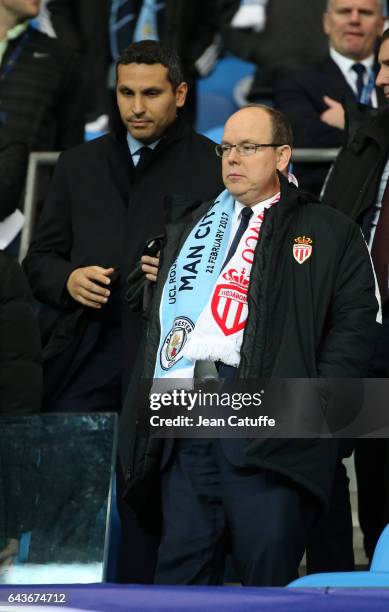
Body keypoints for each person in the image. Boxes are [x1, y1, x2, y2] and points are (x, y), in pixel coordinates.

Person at [121, 104, 379, 586]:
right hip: (188, 415)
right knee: (180, 576)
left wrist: (310, 414)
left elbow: (356, 327)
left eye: (248, 147)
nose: (232, 158)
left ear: (282, 155)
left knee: (265, 578)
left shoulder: (330, 229)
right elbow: (156, 318)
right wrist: (146, 278)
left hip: (271, 421)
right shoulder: (193, 224)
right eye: (226, 148)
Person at [23, 40, 223, 582]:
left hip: (171, 365)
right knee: (67, 494)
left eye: (152, 93)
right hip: (85, 355)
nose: (137, 106)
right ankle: (57, 595)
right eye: (126, 92)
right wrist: (66, 278)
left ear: (180, 94)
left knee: (154, 507)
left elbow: (240, 280)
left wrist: (184, 275)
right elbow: (39, 259)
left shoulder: (214, 169)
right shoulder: (78, 164)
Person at [322, 28, 389, 563]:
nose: (382, 79)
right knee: (374, 478)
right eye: (381, 65)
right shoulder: (364, 143)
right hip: (361, 338)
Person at [275, 0, 385, 195]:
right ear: (327, 22)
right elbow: (302, 137)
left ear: (381, 25)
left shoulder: (385, 76)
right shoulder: (297, 79)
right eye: (344, 11)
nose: (354, 19)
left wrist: (350, 120)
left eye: (365, 13)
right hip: (323, 198)